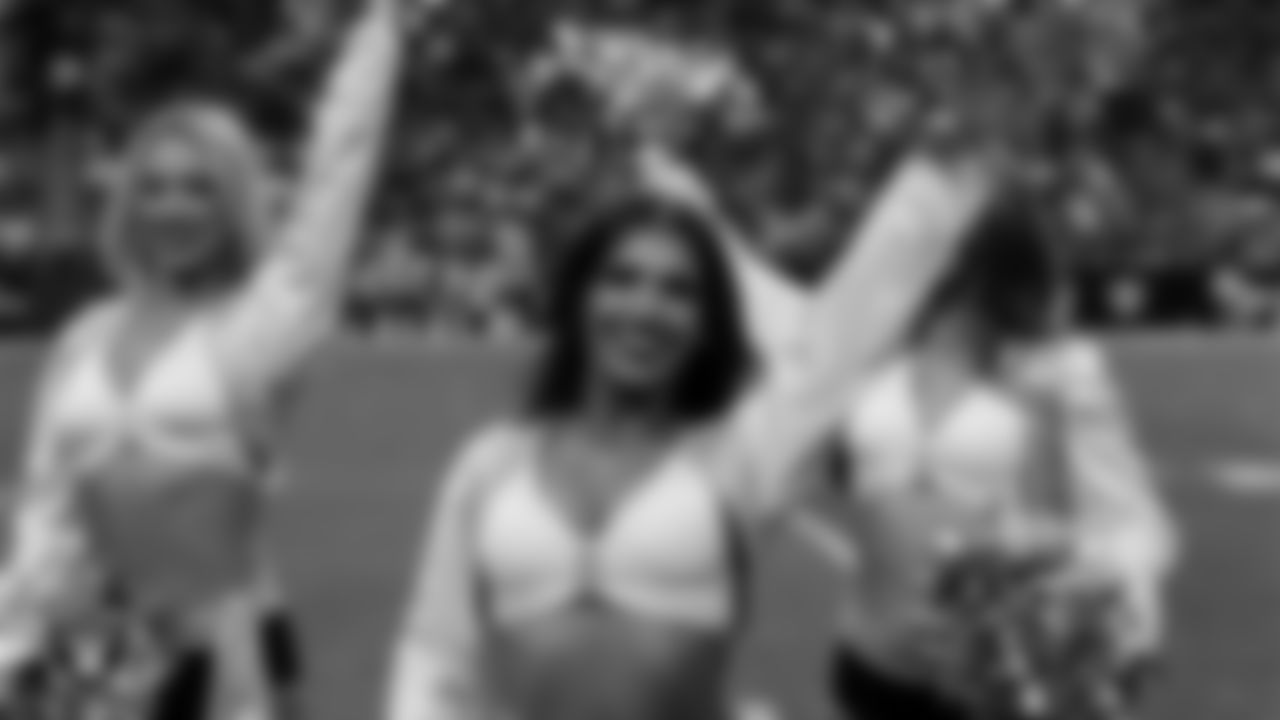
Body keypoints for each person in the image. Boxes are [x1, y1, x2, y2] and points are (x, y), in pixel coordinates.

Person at [384, 139, 1003, 720]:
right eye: (621, 280)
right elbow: (434, 652)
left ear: (707, 324)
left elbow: (833, 349)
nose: (645, 309)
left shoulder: (738, 458)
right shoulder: (490, 464)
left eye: (677, 291)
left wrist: (938, 189)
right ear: (579, 299)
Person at [0, 0, 421, 716]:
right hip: (89, 659)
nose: (173, 208)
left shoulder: (260, 328)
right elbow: (45, 514)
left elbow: (335, 180)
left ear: (232, 205)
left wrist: (382, 34)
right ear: (127, 204)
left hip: (223, 660)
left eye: (199, 189)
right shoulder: (84, 337)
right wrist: (11, 651)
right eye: (153, 188)